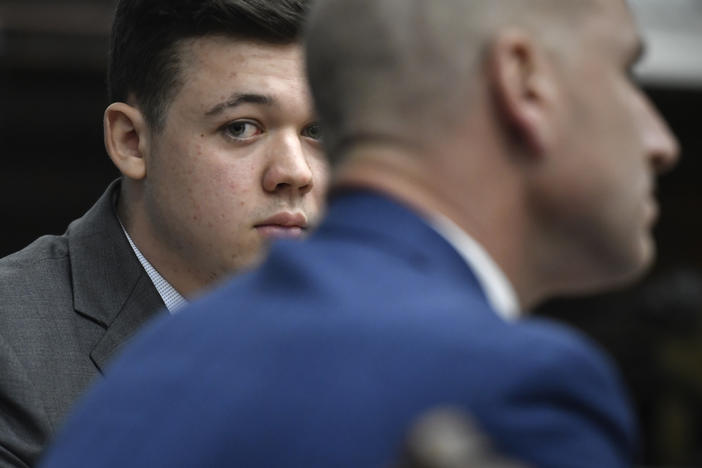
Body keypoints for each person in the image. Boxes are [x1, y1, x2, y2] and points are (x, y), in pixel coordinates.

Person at [39, 0, 679, 467]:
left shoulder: (157, 362)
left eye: (318, 130)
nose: (662, 141)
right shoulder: (515, 383)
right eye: (625, 71)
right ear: (522, 82)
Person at [0, 1, 327, 466]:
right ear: (131, 140)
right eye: (241, 128)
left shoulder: (388, 331)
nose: (295, 172)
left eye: (319, 130)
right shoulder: (13, 346)